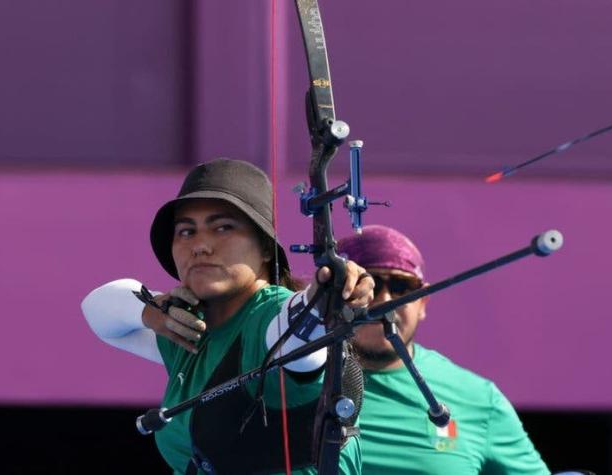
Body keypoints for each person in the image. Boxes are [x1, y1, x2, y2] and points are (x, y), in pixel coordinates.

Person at [82, 158, 372, 475]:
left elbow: (298, 332)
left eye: (223, 228)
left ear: (264, 248)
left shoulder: (269, 316)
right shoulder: (189, 329)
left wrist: (325, 296)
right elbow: (98, 309)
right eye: (186, 231)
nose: (201, 245)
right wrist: (153, 313)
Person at [336, 225, 551, 475]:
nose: (385, 300)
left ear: (423, 303)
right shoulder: (295, 377)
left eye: (401, 286)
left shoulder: (480, 398)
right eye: (369, 285)